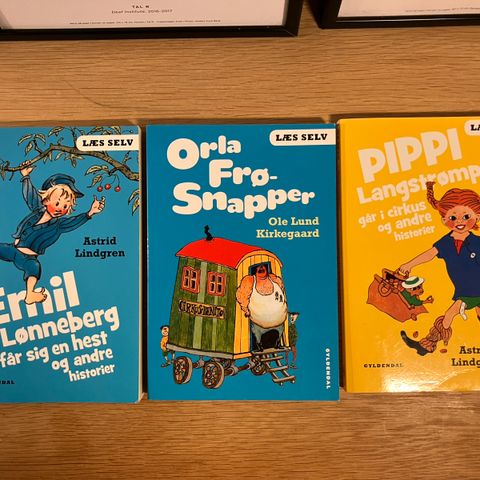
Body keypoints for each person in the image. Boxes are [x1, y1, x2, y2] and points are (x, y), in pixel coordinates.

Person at [0, 163, 105, 304]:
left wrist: (90, 213)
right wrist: (25, 176)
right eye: (57, 203)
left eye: (65, 206)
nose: (60, 209)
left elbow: (74, 221)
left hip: (28, 259)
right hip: (12, 249)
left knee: (35, 268)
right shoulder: (37, 209)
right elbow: (30, 194)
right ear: (45, 199)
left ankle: (30, 294)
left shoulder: (59, 225)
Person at [399, 181, 480, 355]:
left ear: (477, 216)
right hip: (466, 290)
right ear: (444, 219)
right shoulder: (446, 243)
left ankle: (428, 343)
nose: (460, 221)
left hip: (474, 290)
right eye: (453, 218)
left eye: (466, 216)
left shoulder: (477, 242)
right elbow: (429, 254)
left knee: (450, 314)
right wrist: (409, 265)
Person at [236, 263, 288, 351]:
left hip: (278, 321)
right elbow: (242, 296)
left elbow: (282, 291)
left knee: (280, 330)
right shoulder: (249, 281)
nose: (261, 268)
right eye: (258, 268)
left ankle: (278, 343)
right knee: (257, 332)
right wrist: (245, 309)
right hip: (259, 322)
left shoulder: (274, 279)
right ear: (255, 270)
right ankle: (259, 345)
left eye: (263, 267)